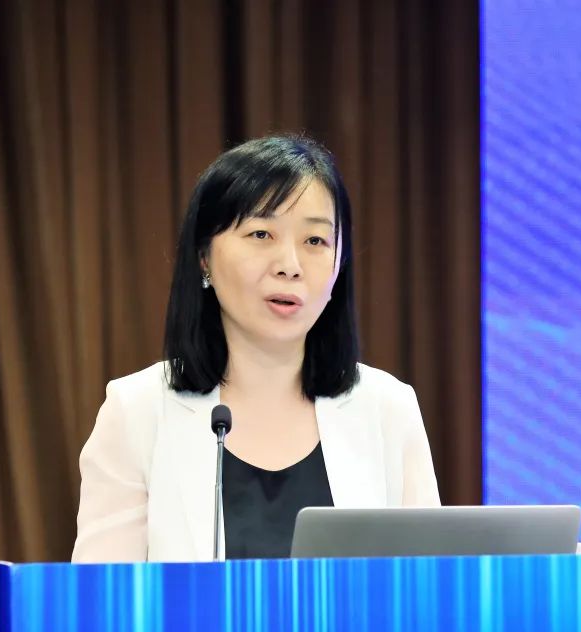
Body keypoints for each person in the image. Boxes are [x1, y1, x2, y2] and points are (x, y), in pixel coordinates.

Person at [72, 135, 440, 563]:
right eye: (261, 233)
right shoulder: (137, 411)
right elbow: (104, 596)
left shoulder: (388, 409)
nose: (290, 266)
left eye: (315, 241)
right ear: (204, 257)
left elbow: (426, 588)